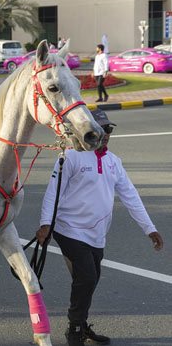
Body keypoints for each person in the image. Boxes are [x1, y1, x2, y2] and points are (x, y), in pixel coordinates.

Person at [36, 109, 163, 346]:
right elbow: (54, 191)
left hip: (97, 234)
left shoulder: (114, 162)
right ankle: (74, 331)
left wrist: (150, 229)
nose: (105, 134)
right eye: (101, 128)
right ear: (89, 129)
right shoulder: (71, 156)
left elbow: (131, 197)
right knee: (86, 278)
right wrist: (46, 225)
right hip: (69, 229)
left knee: (90, 280)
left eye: (109, 129)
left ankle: (81, 325)